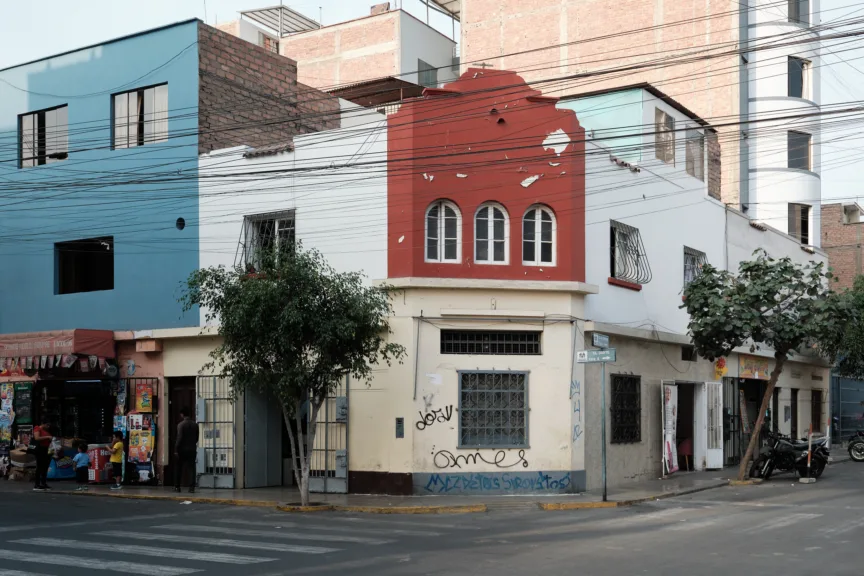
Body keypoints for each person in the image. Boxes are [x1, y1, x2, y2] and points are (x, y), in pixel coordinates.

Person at [174, 407, 199, 493]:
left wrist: (176, 449)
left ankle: (177, 487)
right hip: (192, 449)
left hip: (182, 450)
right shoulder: (195, 425)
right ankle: (191, 488)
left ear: (182, 414)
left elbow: (179, 438)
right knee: (191, 468)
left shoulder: (181, 425)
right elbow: (197, 438)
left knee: (179, 468)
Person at [32, 419, 52, 491]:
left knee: (45, 467)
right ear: (43, 424)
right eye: (47, 425)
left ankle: (43, 483)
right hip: (40, 449)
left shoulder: (46, 431)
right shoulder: (37, 428)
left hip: (47, 450)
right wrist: (47, 437)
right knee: (40, 466)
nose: (48, 426)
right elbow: (37, 438)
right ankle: (37, 484)